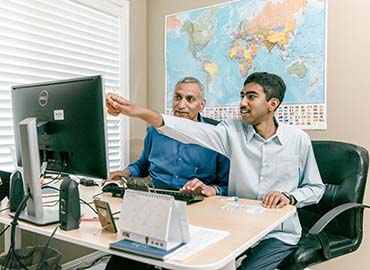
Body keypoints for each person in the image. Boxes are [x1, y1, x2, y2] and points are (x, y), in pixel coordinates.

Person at [106, 72, 325, 270]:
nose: (242, 103)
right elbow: (190, 130)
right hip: (236, 227)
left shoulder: (298, 140)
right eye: (242, 95)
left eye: (251, 97)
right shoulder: (230, 131)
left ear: (272, 104)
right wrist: (141, 113)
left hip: (277, 232)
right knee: (190, 262)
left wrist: (290, 196)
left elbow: (315, 187)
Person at [105, 77, 230, 270]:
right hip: (157, 204)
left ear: (202, 105)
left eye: (190, 99)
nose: (181, 105)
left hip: (196, 208)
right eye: (177, 97)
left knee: (179, 263)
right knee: (122, 260)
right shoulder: (155, 131)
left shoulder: (216, 137)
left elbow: (227, 185)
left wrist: (211, 188)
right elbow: (143, 165)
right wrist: (125, 171)